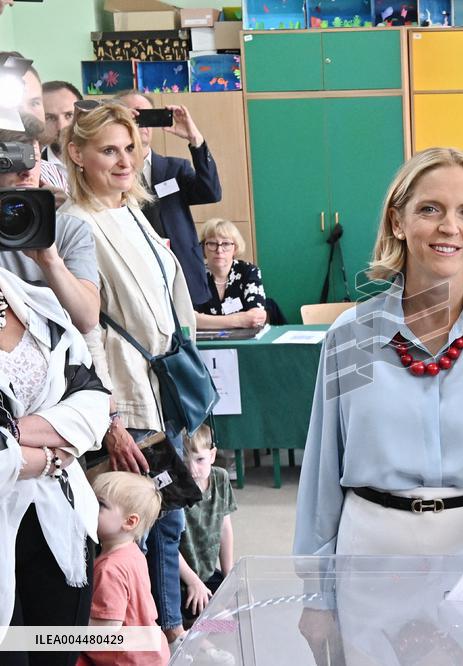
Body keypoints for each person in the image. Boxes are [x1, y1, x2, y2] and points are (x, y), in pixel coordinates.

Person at [294, 148, 463, 660]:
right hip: (372, 558)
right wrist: (317, 594)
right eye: (430, 209)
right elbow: (323, 473)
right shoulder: (352, 336)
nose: (448, 227)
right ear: (398, 219)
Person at [61, 100, 197, 649]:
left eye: (130, 148)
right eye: (108, 150)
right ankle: (129, 644)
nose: (123, 160)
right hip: (129, 403)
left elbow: (167, 304)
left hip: (165, 394)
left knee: (170, 522)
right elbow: (86, 328)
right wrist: (110, 417)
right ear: (77, 154)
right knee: (128, 536)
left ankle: (170, 632)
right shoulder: (76, 221)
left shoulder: (133, 209)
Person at [0, 267, 110, 666]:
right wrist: (52, 452)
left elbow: (95, 402)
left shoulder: (33, 301)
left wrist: (11, 433)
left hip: (59, 523)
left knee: (58, 653)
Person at [115, 92, 222, 309]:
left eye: (147, 116)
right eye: (134, 117)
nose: (141, 124)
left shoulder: (175, 169)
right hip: (136, 281)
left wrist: (195, 140)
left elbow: (211, 192)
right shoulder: (109, 173)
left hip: (183, 275)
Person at [0, 114, 101, 334]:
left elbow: (87, 319)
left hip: (58, 362)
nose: (26, 171)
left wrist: (51, 262)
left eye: (33, 158)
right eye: (14, 159)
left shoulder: (69, 228)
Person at [85, 472, 170, 665]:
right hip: (152, 652)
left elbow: (106, 630)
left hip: (128, 660)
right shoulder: (134, 553)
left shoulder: (110, 569)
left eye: (100, 505)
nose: (89, 506)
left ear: (130, 521)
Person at [178, 425, 236, 622]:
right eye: (184, 462)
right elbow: (166, 544)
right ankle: (197, 642)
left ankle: (198, 632)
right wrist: (193, 582)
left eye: (200, 460)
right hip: (181, 578)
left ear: (212, 455)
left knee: (236, 615)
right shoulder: (174, 487)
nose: (192, 470)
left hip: (207, 572)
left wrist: (229, 576)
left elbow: (224, 527)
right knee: (219, 623)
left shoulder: (220, 477)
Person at [0, 51, 69, 194]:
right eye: (14, 105)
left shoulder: (53, 175)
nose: (25, 113)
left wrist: (61, 213)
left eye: (34, 103)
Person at [194, 219, 267, 330]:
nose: (219, 250)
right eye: (212, 243)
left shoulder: (248, 271)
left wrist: (206, 321)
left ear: (235, 248)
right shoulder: (194, 276)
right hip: (204, 344)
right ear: (203, 247)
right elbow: (190, 320)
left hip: (244, 343)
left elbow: (255, 317)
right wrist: (240, 320)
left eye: (226, 243)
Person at [41, 80, 82, 187]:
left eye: (69, 115)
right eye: (50, 118)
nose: (61, 127)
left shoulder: (105, 162)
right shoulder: (32, 171)